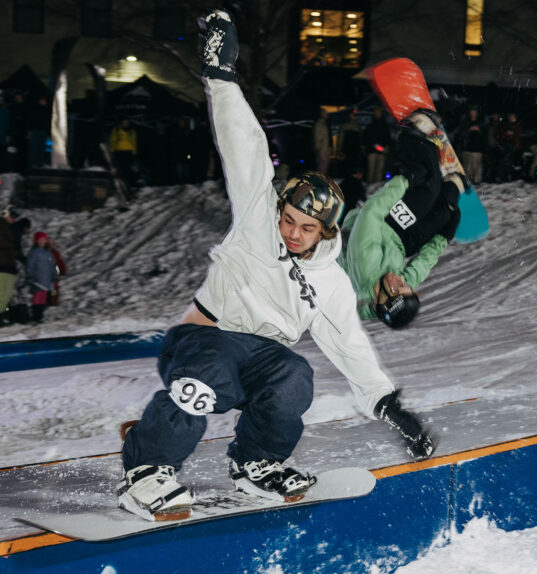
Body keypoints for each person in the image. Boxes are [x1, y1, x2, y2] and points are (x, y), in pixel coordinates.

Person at [117, 9, 435, 522]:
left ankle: (256, 463)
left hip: (259, 357)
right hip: (203, 341)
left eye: (306, 228)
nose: (292, 233)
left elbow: (349, 346)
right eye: (288, 220)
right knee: (211, 372)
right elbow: (244, 144)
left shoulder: (331, 283)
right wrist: (220, 77)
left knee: (294, 374)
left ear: (326, 232)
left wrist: (389, 406)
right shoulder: (257, 217)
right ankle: (146, 469)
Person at [341, 124, 462, 327]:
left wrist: (406, 181)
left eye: (397, 287)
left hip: (379, 225)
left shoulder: (365, 265)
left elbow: (371, 213)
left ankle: (411, 138)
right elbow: (421, 265)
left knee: (427, 191)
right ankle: (447, 189)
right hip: (399, 244)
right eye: (405, 286)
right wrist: (444, 237)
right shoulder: (396, 290)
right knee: (444, 214)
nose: (400, 281)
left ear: (379, 299)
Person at [26, 231, 58, 323]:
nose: (42, 241)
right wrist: (30, 276)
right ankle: (35, 316)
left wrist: (54, 275)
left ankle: (40, 316)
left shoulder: (48, 253)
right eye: (40, 240)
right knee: (37, 297)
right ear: (36, 241)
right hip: (37, 279)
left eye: (44, 240)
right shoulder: (34, 252)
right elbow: (30, 265)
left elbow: (52, 265)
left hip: (46, 279)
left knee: (43, 298)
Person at [363, 107, 391, 182]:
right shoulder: (370, 126)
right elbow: (366, 138)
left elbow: (388, 138)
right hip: (372, 151)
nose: (378, 114)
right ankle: (369, 186)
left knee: (379, 172)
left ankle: (376, 187)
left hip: (382, 152)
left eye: (379, 113)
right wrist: (374, 145)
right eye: (376, 113)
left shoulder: (385, 126)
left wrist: (386, 148)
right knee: (370, 171)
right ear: (374, 114)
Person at [0, 205, 18, 324]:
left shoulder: (9, 228)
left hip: (8, 266)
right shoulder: (1, 226)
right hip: (2, 265)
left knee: (6, 293)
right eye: (12, 216)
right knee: (2, 292)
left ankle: (2, 316)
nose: (13, 219)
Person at [109, 117, 138, 187]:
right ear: (121, 122)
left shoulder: (131, 131)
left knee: (128, 168)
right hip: (119, 151)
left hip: (128, 151)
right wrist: (112, 150)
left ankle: (129, 183)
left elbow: (134, 141)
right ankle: (122, 183)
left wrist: (134, 151)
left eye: (127, 122)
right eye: (124, 122)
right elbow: (113, 140)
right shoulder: (116, 130)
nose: (126, 123)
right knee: (121, 168)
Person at [312, 107, 332, 175]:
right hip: (322, 149)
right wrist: (319, 150)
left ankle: (321, 178)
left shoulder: (325, 124)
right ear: (321, 114)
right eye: (325, 113)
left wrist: (329, 148)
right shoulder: (319, 124)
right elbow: (317, 137)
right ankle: (319, 179)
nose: (327, 114)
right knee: (321, 166)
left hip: (326, 149)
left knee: (325, 166)